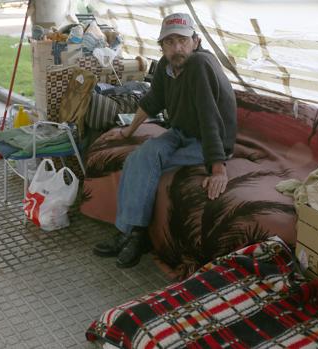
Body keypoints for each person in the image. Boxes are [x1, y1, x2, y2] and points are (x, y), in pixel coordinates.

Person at [92, 13, 237, 268]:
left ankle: (136, 236)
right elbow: (152, 101)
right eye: (169, 42)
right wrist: (128, 131)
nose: (177, 48)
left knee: (148, 165)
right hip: (181, 132)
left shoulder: (200, 65)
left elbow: (209, 116)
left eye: (182, 40)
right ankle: (131, 232)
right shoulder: (165, 67)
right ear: (162, 47)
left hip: (209, 140)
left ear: (195, 40)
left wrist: (218, 168)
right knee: (141, 155)